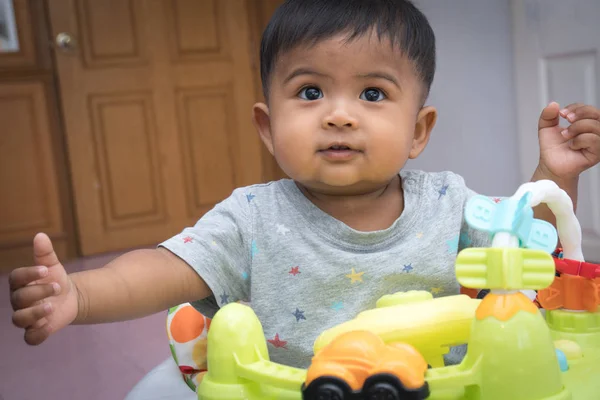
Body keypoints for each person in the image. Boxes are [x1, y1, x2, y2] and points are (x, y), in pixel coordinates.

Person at [8, 0, 600, 370]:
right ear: (268, 127)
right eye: (310, 91)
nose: (339, 115)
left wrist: (556, 174)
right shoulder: (251, 218)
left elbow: (527, 248)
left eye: (372, 94)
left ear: (418, 131)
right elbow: (159, 270)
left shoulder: (448, 201)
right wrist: (80, 296)